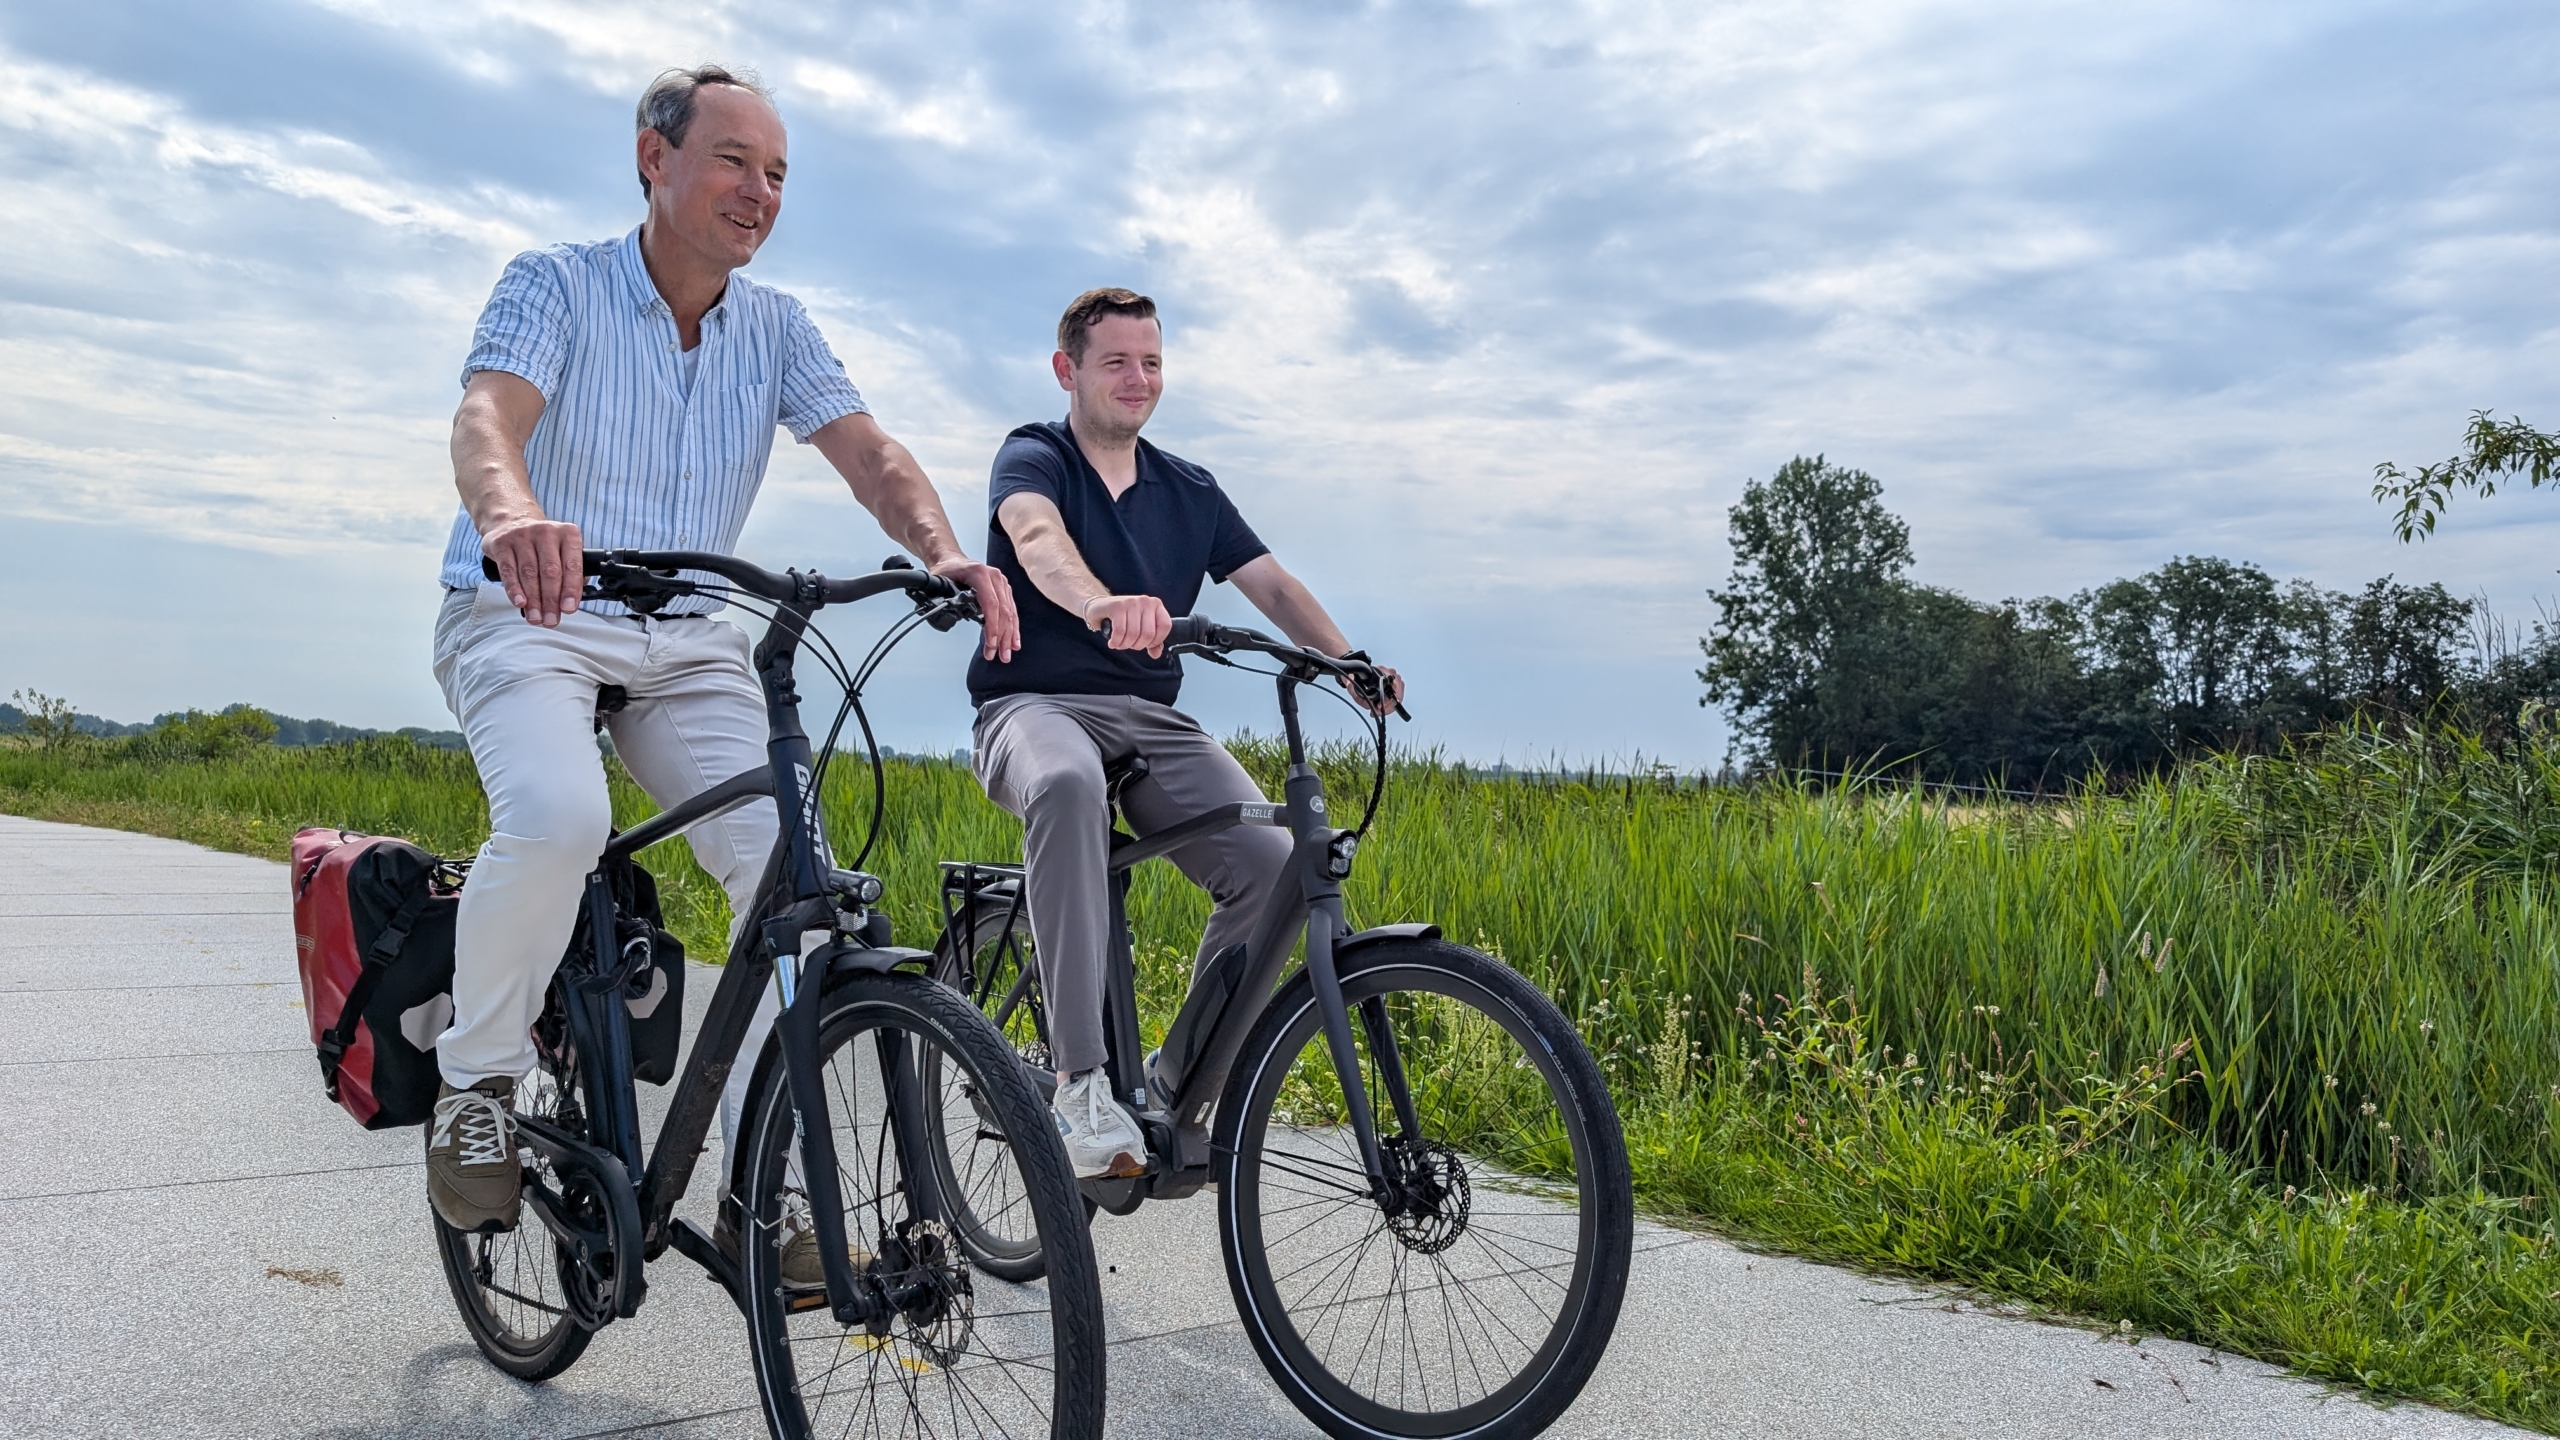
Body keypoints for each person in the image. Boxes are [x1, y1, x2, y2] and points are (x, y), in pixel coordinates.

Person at [426, 65, 1019, 1276]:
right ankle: (477, 1082)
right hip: (530, 609)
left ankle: (782, 1191)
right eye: (734, 161)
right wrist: (511, 515)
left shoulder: (777, 327)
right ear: (654, 159)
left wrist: (944, 548)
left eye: (780, 174)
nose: (760, 193)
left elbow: (872, 453)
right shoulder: (558, 284)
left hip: (690, 642)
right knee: (556, 818)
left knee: (798, 889)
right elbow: (489, 418)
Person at [968, 288, 1404, 1178]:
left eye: (1152, 362)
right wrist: (1098, 602)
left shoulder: (1189, 490)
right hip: (1035, 708)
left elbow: (1272, 585)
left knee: (1277, 860)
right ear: (1069, 371)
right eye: (1117, 361)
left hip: (1150, 720)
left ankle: (1174, 1085)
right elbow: (1036, 539)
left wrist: (1348, 661)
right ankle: (1081, 1085)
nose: (1139, 379)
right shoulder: (1034, 455)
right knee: (1065, 786)